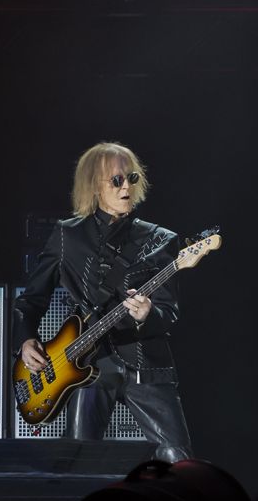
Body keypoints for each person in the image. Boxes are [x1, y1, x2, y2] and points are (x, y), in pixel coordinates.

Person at [13, 142, 193, 463]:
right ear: (94, 185)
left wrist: (148, 314)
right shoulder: (67, 236)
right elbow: (31, 299)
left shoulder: (162, 240)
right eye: (116, 180)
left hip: (145, 365)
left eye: (132, 178)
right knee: (80, 461)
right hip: (86, 364)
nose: (126, 187)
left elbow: (169, 312)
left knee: (179, 461)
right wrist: (25, 339)